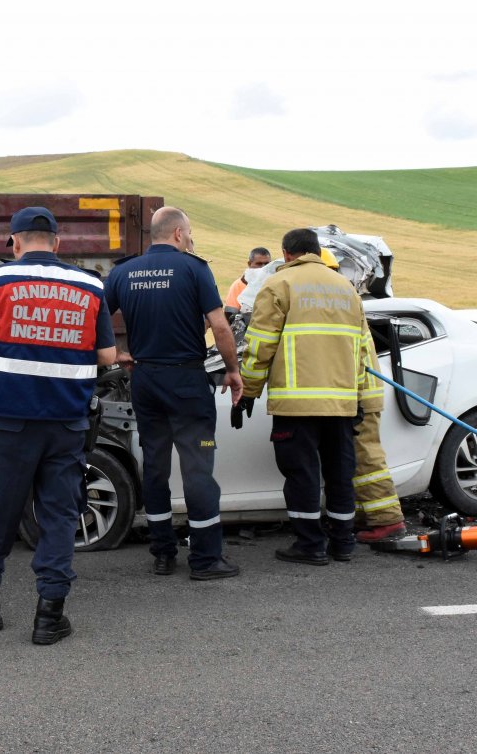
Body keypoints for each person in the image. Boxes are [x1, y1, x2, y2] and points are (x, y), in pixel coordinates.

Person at [0, 206, 116, 646]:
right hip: (67, 424)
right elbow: (107, 357)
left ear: (16, 242)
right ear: (57, 243)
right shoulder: (90, 284)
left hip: (9, 423)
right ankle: (50, 616)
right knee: (59, 515)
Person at [104, 206, 243, 580]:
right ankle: (205, 559)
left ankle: (163, 553)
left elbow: (94, 317)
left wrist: (116, 354)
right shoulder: (194, 269)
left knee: (155, 467)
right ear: (179, 234)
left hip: (145, 381)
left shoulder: (123, 272)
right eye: (191, 233)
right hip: (186, 383)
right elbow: (220, 326)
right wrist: (232, 370)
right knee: (199, 467)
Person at [233, 228, 368, 565]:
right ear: (317, 251)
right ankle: (343, 543)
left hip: (297, 404)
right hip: (341, 401)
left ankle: (310, 545)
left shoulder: (280, 285)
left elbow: (259, 345)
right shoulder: (346, 289)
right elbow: (362, 351)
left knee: (301, 473)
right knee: (339, 472)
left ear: (287, 253)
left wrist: (248, 391)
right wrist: (359, 398)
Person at [351, 328, 407, 542]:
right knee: (354, 460)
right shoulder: (346, 299)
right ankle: (364, 517)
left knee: (366, 460)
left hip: (360, 394)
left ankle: (388, 521)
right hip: (360, 390)